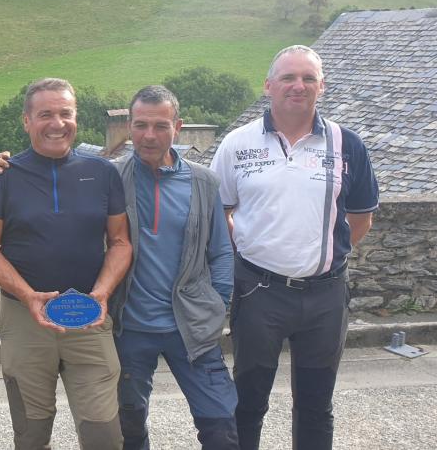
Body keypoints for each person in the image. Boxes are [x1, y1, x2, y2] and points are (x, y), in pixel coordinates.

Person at [210, 45, 379, 450]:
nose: (297, 86)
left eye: (307, 78)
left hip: (326, 294)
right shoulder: (238, 143)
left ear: (321, 86)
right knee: (248, 401)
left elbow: (361, 218)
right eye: (288, 77)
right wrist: (252, 251)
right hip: (258, 291)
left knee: (316, 405)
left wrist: (322, 257)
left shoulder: (347, 144)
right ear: (269, 86)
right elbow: (220, 213)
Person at [0, 78, 131, 449]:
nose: (57, 123)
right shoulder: (3, 177)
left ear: (76, 117)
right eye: (45, 114)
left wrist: (103, 293)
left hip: (90, 318)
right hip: (24, 321)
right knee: (31, 434)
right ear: (27, 121)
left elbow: (121, 242)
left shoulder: (104, 173)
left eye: (65, 113)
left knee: (104, 436)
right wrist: (28, 295)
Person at [111, 86, 237, 449]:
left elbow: (222, 252)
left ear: (177, 127)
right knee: (129, 423)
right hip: (130, 327)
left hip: (192, 326)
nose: (149, 135)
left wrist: (216, 305)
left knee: (222, 426)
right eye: (141, 125)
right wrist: (1, 163)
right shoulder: (110, 179)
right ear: (129, 127)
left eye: (161, 125)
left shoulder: (203, 182)